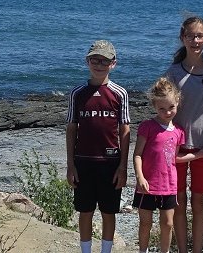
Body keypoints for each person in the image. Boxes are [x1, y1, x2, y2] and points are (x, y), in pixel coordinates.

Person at [134, 77, 203, 253]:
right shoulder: (147, 126)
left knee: (168, 223)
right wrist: (140, 177)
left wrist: (199, 154)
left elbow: (174, 157)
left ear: (177, 102)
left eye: (171, 107)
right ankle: (142, 250)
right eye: (162, 108)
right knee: (145, 222)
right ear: (154, 106)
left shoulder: (179, 131)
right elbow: (137, 155)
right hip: (147, 185)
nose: (167, 112)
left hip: (168, 185)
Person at [66, 40, 131, 253]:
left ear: (113, 63)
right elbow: (71, 129)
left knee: (108, 212)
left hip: (110, 163)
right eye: (95, 60)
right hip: (83, 162)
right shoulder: (78, 93)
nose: (99, 64)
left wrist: (123, 167)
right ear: (87, 61)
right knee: (85, 211)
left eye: (104, 60)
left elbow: (125, 131)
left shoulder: (119, 94)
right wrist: (70, 165)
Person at [164, 16, 203, 253]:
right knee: (178, 203)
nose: (195, 40)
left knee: (199, 203)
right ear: (182, 38)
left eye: (199, 36)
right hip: (176, 146)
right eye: (190, 36)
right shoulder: (174, 72)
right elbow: (163, 111)